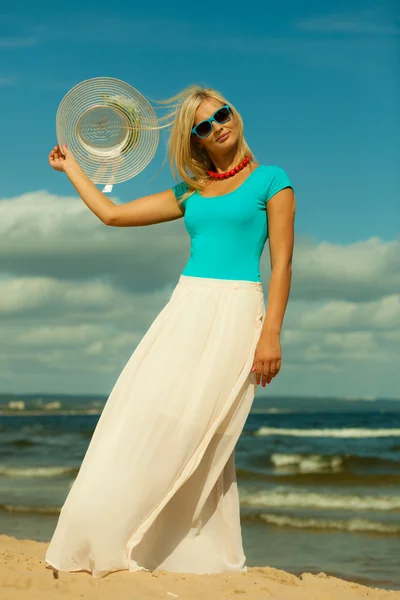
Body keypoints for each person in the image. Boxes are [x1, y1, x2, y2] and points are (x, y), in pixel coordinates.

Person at [45, 85, 295, 578]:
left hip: (238, 312)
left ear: (234, 113)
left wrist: (271, 334)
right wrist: (71, 168)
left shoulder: (272, 180)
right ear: (196, 140)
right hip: (184, 308)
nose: (218, 125)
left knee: (208, 428)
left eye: (221, 113)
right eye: (204, 125)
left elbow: (283, 264)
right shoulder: (192, 191)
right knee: (143, 416)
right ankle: (123, 538)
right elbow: (113, 215)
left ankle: (197, 549)